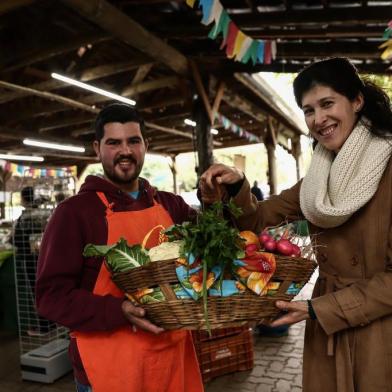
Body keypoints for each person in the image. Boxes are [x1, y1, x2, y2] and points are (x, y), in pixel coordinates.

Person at [199, 57, 392, 392]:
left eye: (327, 103)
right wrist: (236, 186)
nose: (319, 119)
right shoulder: (317, 180)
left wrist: (318, 310)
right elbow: (257, 219)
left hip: (378, 331)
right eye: (308, 110)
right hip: (326, 331)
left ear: (357, 101)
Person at [36, 103, 203, 392]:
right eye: (114, 143)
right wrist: (120, 310)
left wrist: (222, 197)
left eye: (133, 141)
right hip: (109, 368)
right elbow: (51, 296)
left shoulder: (170, 204)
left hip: (172, 356)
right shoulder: (74, 213)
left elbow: (219, 239)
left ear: (145, 145)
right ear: (97, 148)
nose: (125, 151)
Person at [13, 186, 54, 336]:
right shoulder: (44, 214)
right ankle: (51, 323)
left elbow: (17, 239)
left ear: (24, 198)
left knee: (36, 292)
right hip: (44, 256)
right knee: (47, 289)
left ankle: (43, 326)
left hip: (29, 258)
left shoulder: (25, 216)